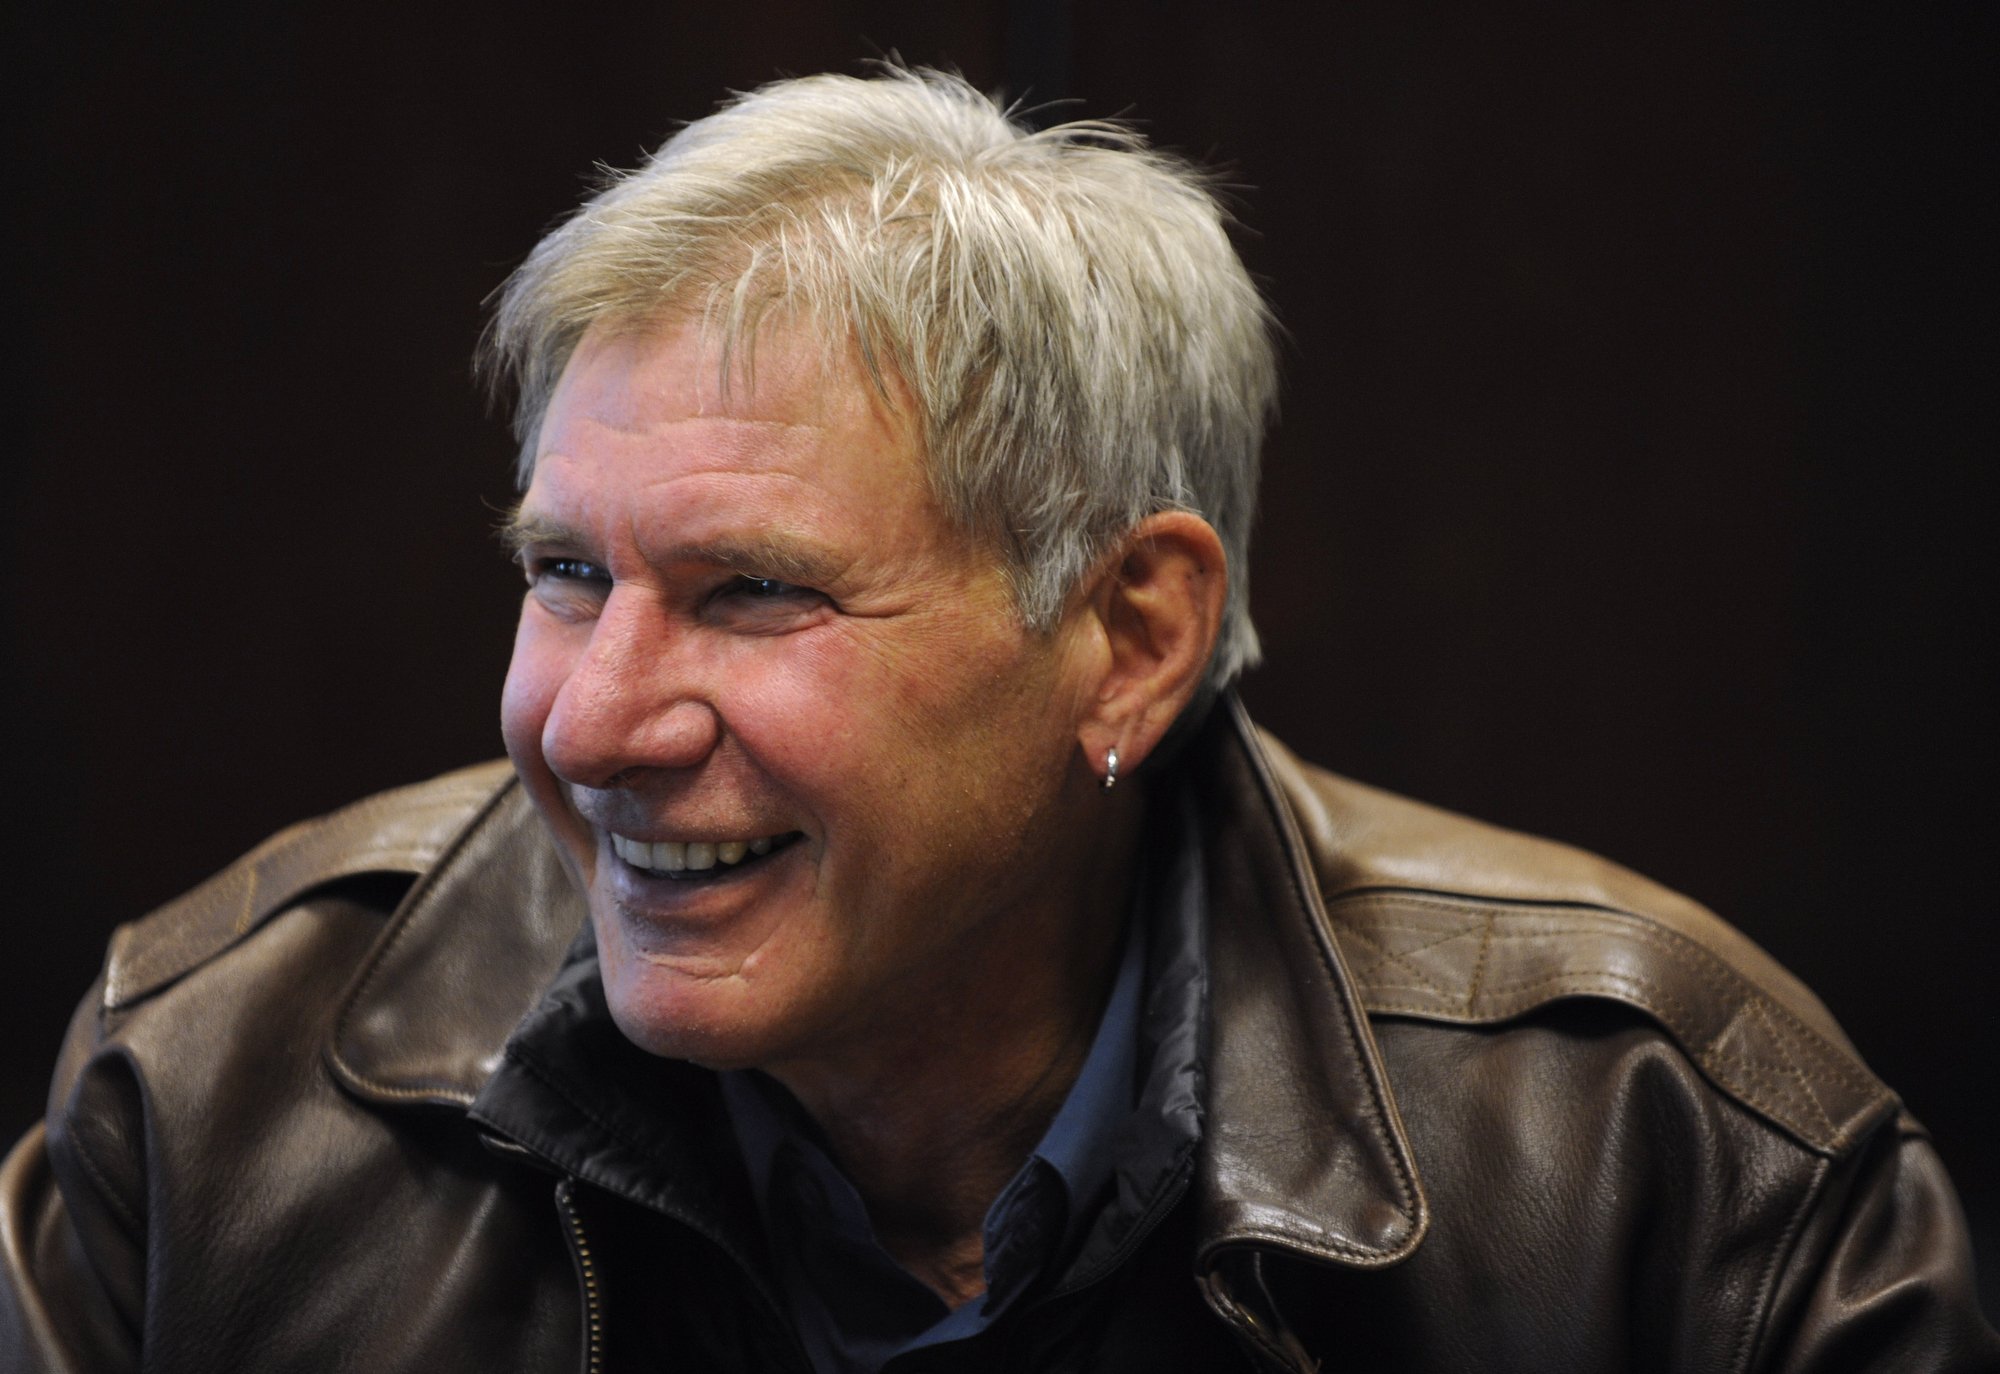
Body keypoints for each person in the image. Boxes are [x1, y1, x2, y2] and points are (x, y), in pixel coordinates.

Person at [2, 67, 1993, 1374]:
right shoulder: (208, 1107)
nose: (587, 725)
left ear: (1129, 635)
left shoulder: (1676, 1172)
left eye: (753, 590)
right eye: (564, 572)